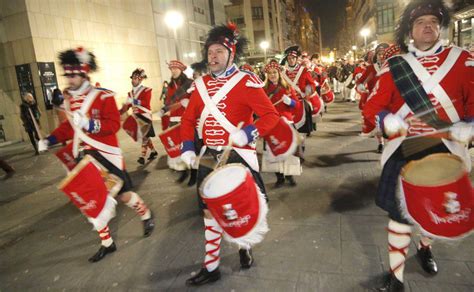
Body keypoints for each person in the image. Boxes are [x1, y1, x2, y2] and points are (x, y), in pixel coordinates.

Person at [362, 1, 474, 290]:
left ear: (440, 27)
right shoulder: (394, 64)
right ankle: (396, 277)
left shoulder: (462, 60)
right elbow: (373, 105)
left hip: (445, 148)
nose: (428, 26)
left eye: (433, 22)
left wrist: (469, 125)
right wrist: (386, 120)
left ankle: (425, 246)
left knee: (435, 210)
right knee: (398, 216)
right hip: (406, 148)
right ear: (410, 30)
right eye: (420, 21)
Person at [180, 23, 279, 286]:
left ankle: (244, 246)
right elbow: (187, 121)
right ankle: (211, 266)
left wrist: (249, 132)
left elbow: (271, 116)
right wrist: (188, 147)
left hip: (237, 155)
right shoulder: (200, 85)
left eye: (219, 52)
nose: (213, 56)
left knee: (240, 208)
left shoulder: (246, 81)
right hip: (209, 156)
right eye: (210, 52)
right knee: (209, 212)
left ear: (231, 54)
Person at [37, 47, 155, 263]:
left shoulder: (103, 96)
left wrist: (90, 123)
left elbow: (112, 126)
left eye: (73, 75)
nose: (69, 79)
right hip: (85, 157)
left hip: (106, 156)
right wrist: (49, 139)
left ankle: (145, 214)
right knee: (92, 201)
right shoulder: (70, 100)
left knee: (123, 195)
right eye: (68, 75)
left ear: (84, 73)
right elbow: (68, 128)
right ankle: (107, 243)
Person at [262, 59, 301, 187]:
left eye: (275, 72)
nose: (272, 75)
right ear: (267, 75)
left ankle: (290, 175)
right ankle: (279, 177)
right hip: (272, 124)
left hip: (286, 122)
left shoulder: (287, 88)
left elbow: (298, 106)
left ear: (279, 73)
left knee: (289, 150)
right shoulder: (263, 90)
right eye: (270, 73)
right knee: (273, 150)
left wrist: (291, 102)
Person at [161, 60, 194, 183]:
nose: (173, 71)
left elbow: (196, 100)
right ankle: (183, 171)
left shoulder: (190, 83)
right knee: (178, 148)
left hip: (187, 120)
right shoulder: (169, 86)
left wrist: (188, 104)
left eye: (175, 69)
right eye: (171, 69)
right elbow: (169, 102)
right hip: (174, 120)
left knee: (189, 147)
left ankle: (193, 173)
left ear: (181, 70)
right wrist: (165, 112)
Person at [119, 68, 158, 165]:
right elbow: (126, 106)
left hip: (145, 116)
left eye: (135, 78)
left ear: (140, 79)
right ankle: (153, 151)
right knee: (145, 137)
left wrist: (134, 101)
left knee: (144, 136)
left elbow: (146, 103)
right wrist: (117, 112)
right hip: (136, 118)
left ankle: (142, 156)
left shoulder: (147, 90)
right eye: (132, 78)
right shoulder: (130, 93)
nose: (133, 80)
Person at [280, 45, 316, 137]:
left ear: (296, 59)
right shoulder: (283, 74)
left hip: (302, 100)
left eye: (293, 58)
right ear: (287, 60)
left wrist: (308, 90)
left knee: (302, 129)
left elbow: (311, 84)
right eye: (289, 58)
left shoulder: (303, 70)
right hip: (290, 102)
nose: (291, 60)